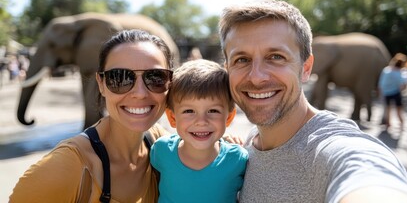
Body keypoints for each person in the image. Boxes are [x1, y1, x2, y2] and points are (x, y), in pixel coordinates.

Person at [218, 0, 407, 202]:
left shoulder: (336, 148)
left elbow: (369, 178)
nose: (257, 77)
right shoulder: (250, 142)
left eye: (276, 57)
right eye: (241, 60)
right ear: (227, 69)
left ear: (306, 68)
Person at [9, 29, 174, 202]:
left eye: (156, 77)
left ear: (170, 82)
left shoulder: (164, 148)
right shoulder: (66, 167)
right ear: (101, 84)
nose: (140, 93)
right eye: (120, 78)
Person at [150, 59, 248, 203]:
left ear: (229, 117)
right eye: (189, 111)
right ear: (172, 117)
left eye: (213, 110)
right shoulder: (161, 151)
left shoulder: (238, 160)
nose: (201, 121)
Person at [378, 53, 407, 130]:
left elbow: (381, 83)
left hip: (386, 92)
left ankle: (388, 124)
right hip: (396, 93)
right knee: (399, 110)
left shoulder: (386, 70)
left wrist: (380, 92)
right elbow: (403, 85)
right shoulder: (400, 73)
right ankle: (402, 124)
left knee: (388, 109)